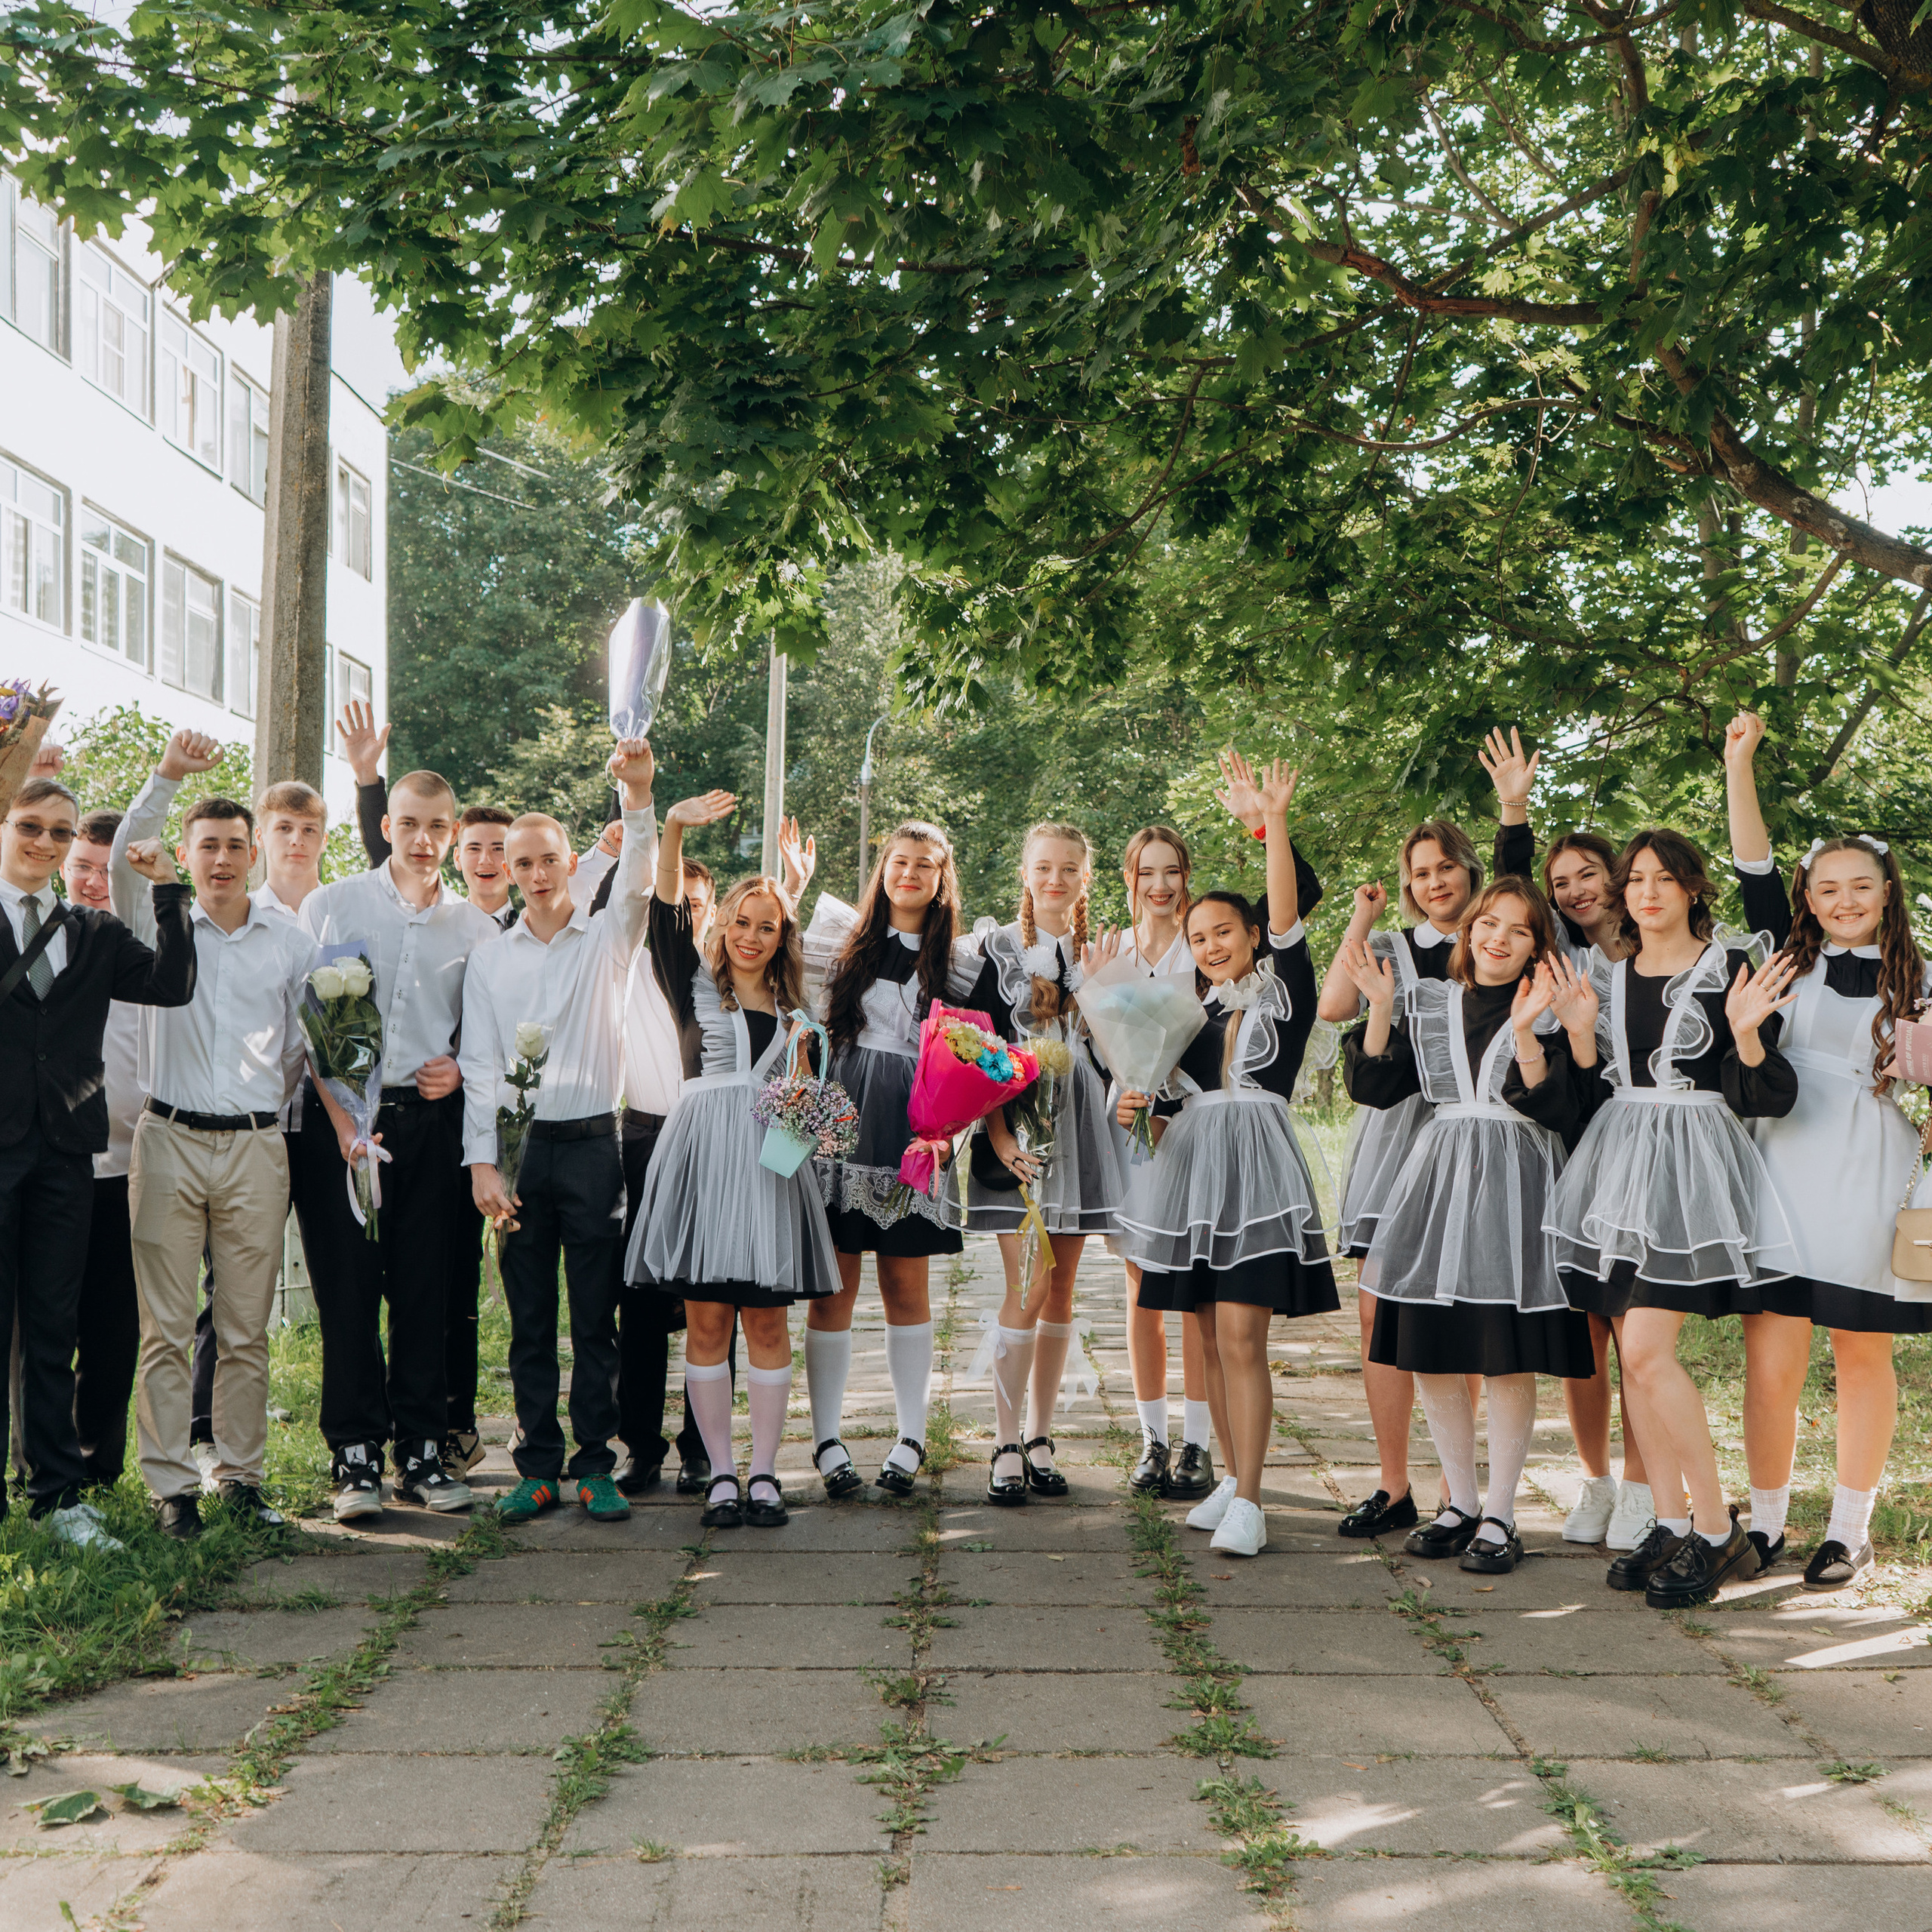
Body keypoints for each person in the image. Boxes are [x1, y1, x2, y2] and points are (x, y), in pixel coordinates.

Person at [1544, 827, 1802, 1607]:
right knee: (1631, 1356)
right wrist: (1581, 1034)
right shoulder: (1606, 974)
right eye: (1636, 879)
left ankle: (1719, 1530)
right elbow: (1590, 1093)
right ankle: (1664, 1516)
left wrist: (1750, 1029)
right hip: (1617, 1167)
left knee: (1650, 1350)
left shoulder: (1729, 965)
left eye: (1665, 877)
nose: (1646, 891)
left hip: (1690, 1169)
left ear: (1693, 886)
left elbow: (1762, 1089)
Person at [1724, 712, 1932, 1589]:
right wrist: (1739, 765)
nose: (1842, 901)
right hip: (1780, 1166)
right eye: (1826, 889)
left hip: (1867, 1171)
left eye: (1859, 886)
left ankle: (1850, 1528)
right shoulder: (1783, 955)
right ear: (1807, 900)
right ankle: (1765, 1520)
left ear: (1886, 892)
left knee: (1859, 1350)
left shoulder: (1919, 979)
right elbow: (1752, 863)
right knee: (1770, 1353)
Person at [1115, 761, 1338, 1558]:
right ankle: (1229, 1477)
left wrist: (1270, 820)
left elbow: (1287, 909)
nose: (1210, 945)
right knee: (1208, 1335)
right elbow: (1165, 1110)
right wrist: (1136, 1109)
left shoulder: (1285, 991)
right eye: (1199, 936)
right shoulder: (1185, 1013)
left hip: (1258, 1177)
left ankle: (1251, 1495)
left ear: (1251, 937)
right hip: (1195, 1179)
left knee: (1244, 1335)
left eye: (1225, 932)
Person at [1340, 879, 1596, 1575]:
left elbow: (1560, 1112)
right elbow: (1373, 1087)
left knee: (1505, 1352)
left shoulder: (1549, 1013)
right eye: (1489, 922)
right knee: (1432, 1347)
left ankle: (1503, 1513)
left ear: (1538, 948)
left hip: (1518, 1186)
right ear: (1468, 930)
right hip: (1437, 1183)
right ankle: (1458, 1502)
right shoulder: (1428, 1002)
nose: (1498, 937)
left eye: (1519, 930)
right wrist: (1382, 1008)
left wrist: (1525, 1031)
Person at [625, 790, 841, 1529]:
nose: (750, 936)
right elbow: (661, 913)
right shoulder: (690, 984)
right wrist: (675, 828)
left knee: (769, 1326)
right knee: (708, 1322)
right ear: (722, 923)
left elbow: (803, 1107)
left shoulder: (795, 1015)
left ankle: (765, 1473)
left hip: (768, 1174)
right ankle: (720, 1473)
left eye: (767, 927)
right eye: (740, 922)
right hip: (699, 1168)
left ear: (784, 937)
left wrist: (804, 1076)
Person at [463, 740, 658, 1526]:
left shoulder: (608, 939)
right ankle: (537, 1466)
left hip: (590, 1147)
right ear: (508, 872)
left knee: (593, 1319)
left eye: (550, 859)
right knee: (531, 1322)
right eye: (524, 864)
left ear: (570, 860)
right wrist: (483, 1165)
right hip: (518, 1152)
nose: (538, 874)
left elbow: (640, 874)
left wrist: (636, 793)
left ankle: (594, 1465)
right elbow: (479, 1065)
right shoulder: (491, 959)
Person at [297, 770, 498, 1521]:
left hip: (429, 1126)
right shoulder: (335, 904)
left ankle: (421, 1449)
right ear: (388, 825)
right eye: (410, 823)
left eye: (437, 826)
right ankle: (354, 1455)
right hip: (347, 1122)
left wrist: (461, 1066)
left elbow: (488, 1039)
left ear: (452, 832)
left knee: (425, 1290)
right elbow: (309, 1025)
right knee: (347, 1289)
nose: (423, 839)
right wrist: (345, 1127)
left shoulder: (476, 928)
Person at [0, 776, 195, 1548]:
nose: (46, 843)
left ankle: (57, 1494)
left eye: (60, 831)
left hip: (65, 1157)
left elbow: (172, 985)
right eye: (31, 827)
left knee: (52, 1329)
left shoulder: (93, 931)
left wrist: (170, 890)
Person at [1480, 728, 1652, 1552]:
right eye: (1562, 881)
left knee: (1639, 1328)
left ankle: (1645, 1490)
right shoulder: (1562, 957)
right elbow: (1509, 890)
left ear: (1619, 878)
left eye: (1588, 873)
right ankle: (1595, 1483)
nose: (1575, 889)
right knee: (1586, 1326)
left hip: (1649, 1152)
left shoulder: (1658, 950)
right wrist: (1513, 808)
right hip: (1577, 1149)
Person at [125, 795, 312, 1537]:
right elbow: (123, 853)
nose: (224, 859)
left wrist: (256, 1111)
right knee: (165, 1326)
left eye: (237, 845)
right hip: (168, 1138)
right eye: (209, 845)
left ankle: (240, 1477)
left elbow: (304, 1049)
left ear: (254, 851)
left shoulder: (289, 940)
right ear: (188, 851)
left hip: (254, 1146)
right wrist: (167, 778)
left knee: (244, 1326)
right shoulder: (156, 922)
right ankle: (172, 1485)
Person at [800, 823, 986, 1499]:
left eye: (924, 865)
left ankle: (911, 1436)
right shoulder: (840, 942)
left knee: (906, 1289)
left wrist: (949, 1130)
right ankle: (827, 1438)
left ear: (942, 879)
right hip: (841, 1129)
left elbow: (979, 1064)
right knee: (834, 1289)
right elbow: (802, 1029)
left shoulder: (962, 965)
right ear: (883, 871)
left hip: (915, 1134)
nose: (909, 874)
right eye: (898, 862)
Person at [1315, 812, 1484, 1541]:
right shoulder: (1386, 946)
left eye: (1445, 866)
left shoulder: (1490, 942)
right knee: (1377, 1311)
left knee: (1461, 1308)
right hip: (1395, 1130)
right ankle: (1393, 1484)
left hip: (1468, 1140)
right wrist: (1361, 915)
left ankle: (1460, 1489)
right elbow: (1331, 1007)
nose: (1434, 881)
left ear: (1469, 870)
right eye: (1420, 872)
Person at [967, 821, 1125, 1504]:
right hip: (1019, 1132)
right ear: (1025, 874)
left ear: (1085, 879)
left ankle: (1040, 1435)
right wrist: (1000, 1138)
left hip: (1084, 1126)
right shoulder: (995, 950)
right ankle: (1003, 1440)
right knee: (1027, 1284)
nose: (1055, 879)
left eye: (1069, 869)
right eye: (1043, 868)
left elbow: (1124, 1042)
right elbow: (972, 1050)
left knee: (1060, 1290)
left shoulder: (1102, 951)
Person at [580, 825, 724, 1496]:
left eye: (698, 905)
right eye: (678, 902)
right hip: (641, 1136)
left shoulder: (733, 976)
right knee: (638, 1306)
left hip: (710, 1145)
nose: (686, 915)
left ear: (714, 910)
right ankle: (641, 1444)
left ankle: (702, 1446)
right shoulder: (633, 958)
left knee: (709, 1301)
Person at [1109, 826, 1217, 1502]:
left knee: (1195, 1293)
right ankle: (1152, 1438)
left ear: (1185, 876)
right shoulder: (1109, 952)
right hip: (1127, 1122)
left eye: (1171, 871)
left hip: (1193, 1126)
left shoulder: (1202, 949)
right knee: (1141, 1287)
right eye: (1147, 872)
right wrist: (1124, 1088)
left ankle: (1200, 1443)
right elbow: (1093, 1040)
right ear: (1129, 879)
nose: (1159, 885)